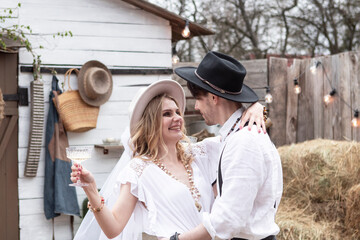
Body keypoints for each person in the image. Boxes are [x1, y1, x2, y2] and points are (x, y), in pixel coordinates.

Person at [71, 79, 265, 240]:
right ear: (151, 123)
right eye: (166, 114)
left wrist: (256, 106)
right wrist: (90, 190)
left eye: (177, 112)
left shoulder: (200, 154)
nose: (177, 118)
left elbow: (234, 134)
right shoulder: (138, 169)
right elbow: (113, 228)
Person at [169, 51, 283, 240]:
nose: (196, 107)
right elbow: (198, 148)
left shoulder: (244, 142)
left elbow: (229, 218)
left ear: (214, 98)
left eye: (198, 99)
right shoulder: (233, 136)